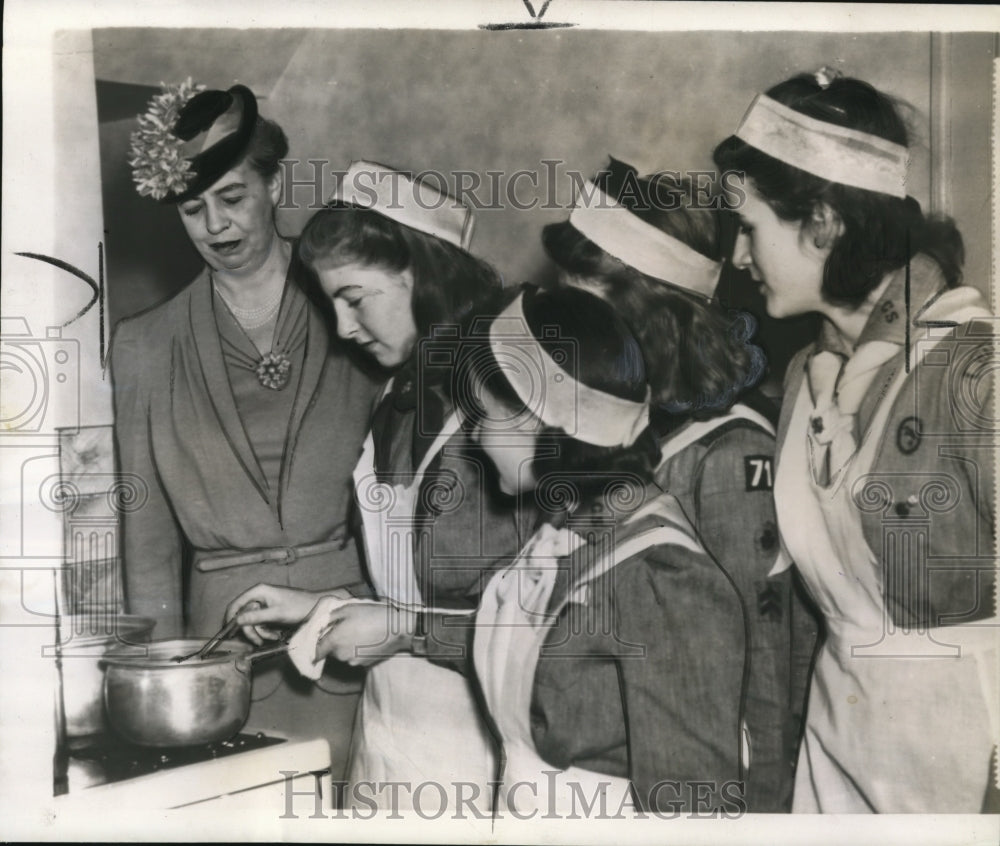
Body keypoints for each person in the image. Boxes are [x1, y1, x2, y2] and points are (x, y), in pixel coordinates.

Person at [301, 284, 750, 816]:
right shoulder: (565, 528)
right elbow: (535, 649)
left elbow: (693, 817)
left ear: (538, 418)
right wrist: (405, 629)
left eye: (481, 418)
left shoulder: (658, 577)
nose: (472, 439)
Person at [713, 68, 998, 813]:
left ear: (824, 222)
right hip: (837, 735)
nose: (737, 259)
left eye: (748, 230)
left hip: (964, 750)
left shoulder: (973, 367)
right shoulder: (808, 372)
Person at [227, 161, 524, 809]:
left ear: (421, 274)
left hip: (483, 747)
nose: (343, 330)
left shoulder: (510, 412)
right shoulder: (396, 397)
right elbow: (410, 581)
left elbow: (544, 625)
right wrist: (323, 604)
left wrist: (400, 630)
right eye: (330, 302)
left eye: (355, 299)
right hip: (389, 735)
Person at [111, 81, 379, 774]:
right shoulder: (145, 345)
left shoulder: (352, 307)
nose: (216, 227)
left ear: (272, 183)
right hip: (218, 661)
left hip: (347, 639)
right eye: (193, 210)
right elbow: (146, 548)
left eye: (232, 198)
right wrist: (168, 683)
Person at [541, 158, 814, 811]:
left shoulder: (728, 458)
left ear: (654, 318)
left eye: (588, 308)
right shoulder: (615, 433)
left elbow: (768, 691)